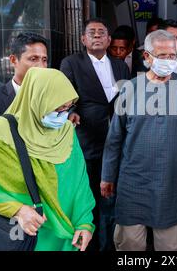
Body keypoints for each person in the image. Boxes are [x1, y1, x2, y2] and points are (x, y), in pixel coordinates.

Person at [0, 67, 95, 251]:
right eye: (57, 108)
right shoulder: (0, 134)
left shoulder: (66, 132)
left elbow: (79, 182)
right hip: (22, 235)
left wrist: (84, 222)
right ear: (36, 100)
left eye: (68, 107)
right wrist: (17, 209)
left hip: (67, 235)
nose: (62, 115)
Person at [100, 30, 177, 251]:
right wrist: (107, 176)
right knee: (130, 246)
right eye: (162, 55)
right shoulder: (129, 89)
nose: (168, 61)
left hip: (172, 183)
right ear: (147, 57)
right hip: (133, 183)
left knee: (170, 248)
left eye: (172, 56)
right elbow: (114, 139)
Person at [60, 18, 130, 251]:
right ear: (83, 39)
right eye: (92, 32)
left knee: (111, 199)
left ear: (109, 39)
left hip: (117, 142)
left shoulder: (120, 66)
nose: (97, 35)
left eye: (102, 32)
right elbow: (65, 92)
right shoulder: (71, 62)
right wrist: (71, 111)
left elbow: (126, 101)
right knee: (88, 199)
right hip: (87, 141)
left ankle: (108, 247)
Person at [0, 33, 49, 153]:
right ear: (13, 60)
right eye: (33, 59)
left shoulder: (52, 99)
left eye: (44, 60)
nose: (41, 66)